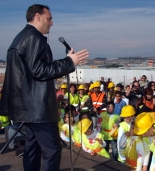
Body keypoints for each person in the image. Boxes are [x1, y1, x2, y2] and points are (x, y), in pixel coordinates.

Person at [0, 4, 89, 171]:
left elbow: (33, 70)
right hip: (38, 108)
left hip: (27, 108)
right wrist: (69, 62)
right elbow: (40, 70)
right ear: (37, 16)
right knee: (52, 150)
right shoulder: (35, 37)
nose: (51, 23)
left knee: (32, 149)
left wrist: (66, 61)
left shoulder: (20, 38)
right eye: (49, 19)